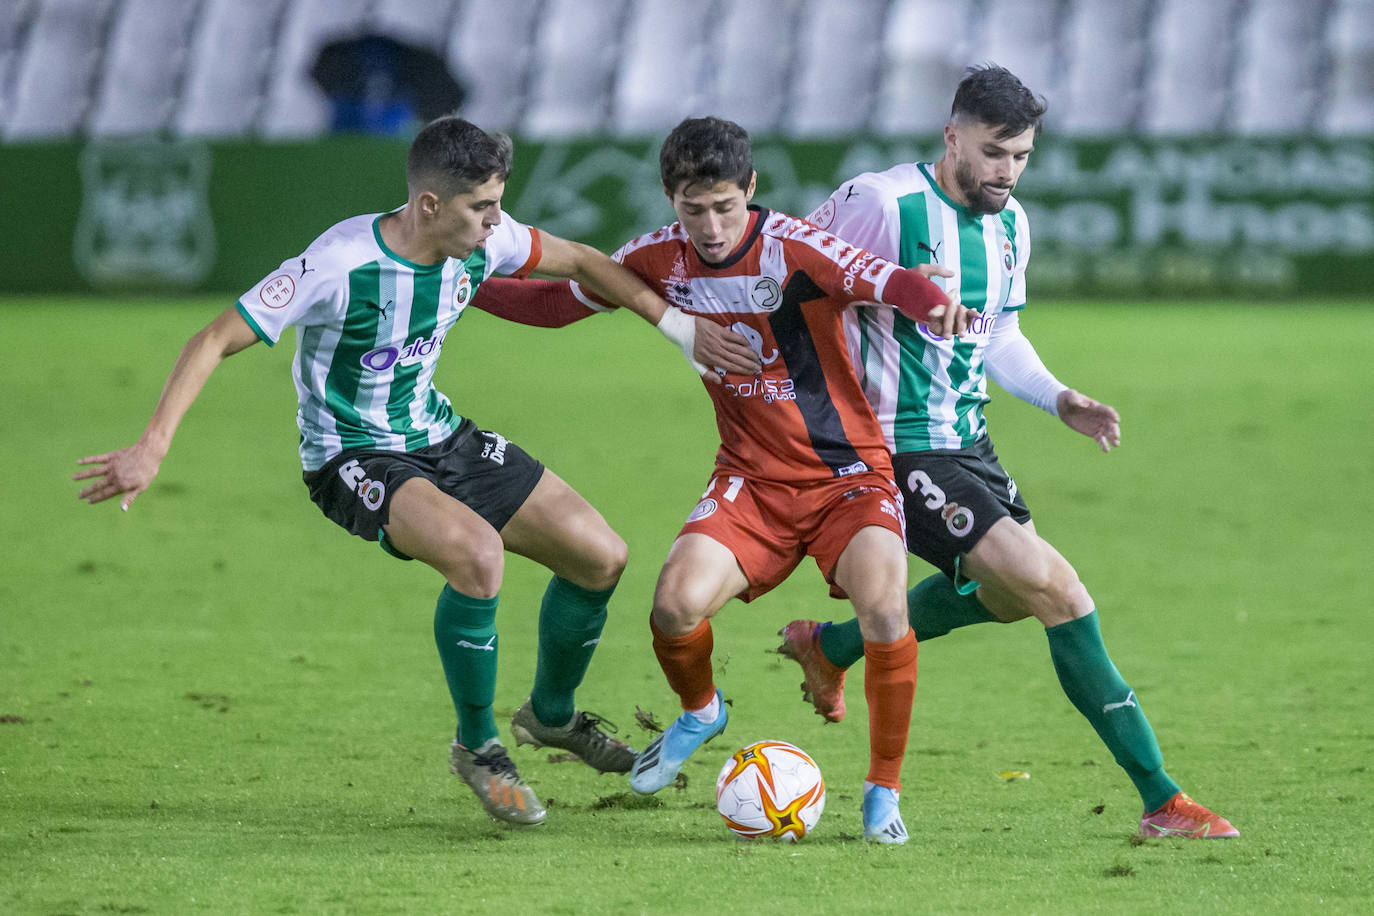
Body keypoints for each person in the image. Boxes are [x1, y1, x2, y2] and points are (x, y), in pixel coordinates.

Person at [72, 116, 761, 829]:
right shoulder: (339, 265)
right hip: (352, 453)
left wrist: (682, 331)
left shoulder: (483, 241)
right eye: (482, 207)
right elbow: (215, 336)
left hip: (439, 434)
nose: (497, 222)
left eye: (498, 204)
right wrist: (153, 444)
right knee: (478, 557)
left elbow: (585, 262)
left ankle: (551, 718)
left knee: (600, 556)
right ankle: (478, 745)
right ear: (430, 206)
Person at [472, 116, 976, 843]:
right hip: (751, 482)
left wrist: (939, 304)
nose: (709, 227)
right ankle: (703, 711)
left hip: (848, 478)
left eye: (724, 207)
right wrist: (460, 279)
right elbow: (555, 306)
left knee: (886, 616)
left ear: (751, 189)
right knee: (674, 606)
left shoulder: (795, 248)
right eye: (692, 209)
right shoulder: (655, 258)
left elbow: (894, 283)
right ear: (671, 200)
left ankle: (882, 793)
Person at [776, 65, 1238, 839]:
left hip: (969, 440)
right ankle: (1163, 799)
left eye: (1021, 155)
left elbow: (1000, 335)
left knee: (1003, 597)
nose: (1007, 171)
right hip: (894, 447)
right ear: (952, 135)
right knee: (1058, 591)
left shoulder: (1012, 222)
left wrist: (1060, 398)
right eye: (993, 152)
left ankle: (831, 646)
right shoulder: (881, 203)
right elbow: (792, 280)